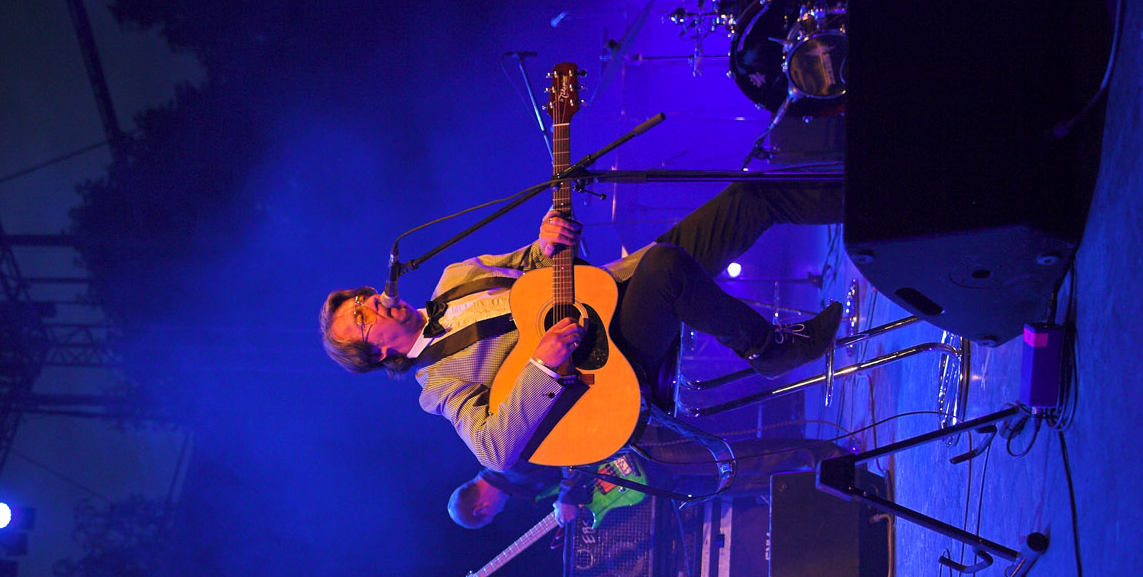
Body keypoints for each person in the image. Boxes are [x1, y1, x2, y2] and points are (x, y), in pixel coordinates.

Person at [320, 181, 845, 475]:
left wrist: (545, 241)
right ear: (377, 354)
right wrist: (539, 366)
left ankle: (873, 201)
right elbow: (493, 451)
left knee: (748, 199)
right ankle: (769, 349)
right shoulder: (437, 384)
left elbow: (529, 264)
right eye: (362, 319)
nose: (374, 304)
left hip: (616, 287)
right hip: (608, 362)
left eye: (363, 298)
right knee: (665, 267)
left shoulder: (455, 277)